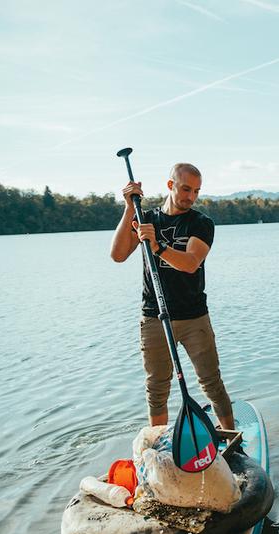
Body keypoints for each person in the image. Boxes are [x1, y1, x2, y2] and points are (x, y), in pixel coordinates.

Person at [110, 163, 234, 430]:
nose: (191, 196)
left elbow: (191, 263)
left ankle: (232, 439)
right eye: (186, 189)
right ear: (170, 185)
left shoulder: (201, 223)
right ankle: (158, 445)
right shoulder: (146, 219)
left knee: (212, 383)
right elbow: (118, 255)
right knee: (156, 389)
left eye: (196, 191)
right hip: (154, 316)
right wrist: (129, 208)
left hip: (193, 317)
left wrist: (157, 246)